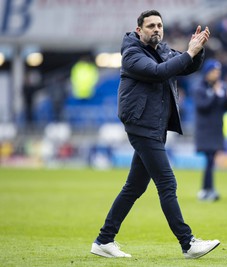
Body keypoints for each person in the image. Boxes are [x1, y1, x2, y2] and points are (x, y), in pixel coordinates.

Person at [90, 10, 220, 259]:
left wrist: (197, 48)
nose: (156, 29)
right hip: (142, 126)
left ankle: (104, 240)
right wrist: (188, 53)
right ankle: (188, 243)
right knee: (167, 183)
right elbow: (160, 72)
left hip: (155, 126)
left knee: (133, 187)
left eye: (159, 25)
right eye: (151, 26)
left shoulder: (161, 49)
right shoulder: (132, 54)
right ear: (139, 30)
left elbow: (186, 65)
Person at [193, 59, 227, 202]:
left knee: (211, 160)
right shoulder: (199, 87)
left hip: (217, 129)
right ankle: (207, 190)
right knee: (209, 159)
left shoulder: (221, 87)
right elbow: (203, 106)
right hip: (205, 130)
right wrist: (216, 93)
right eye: (213, 71)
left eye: (218, 72)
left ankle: (207, 189)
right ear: (206, 73)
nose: (216, 74)